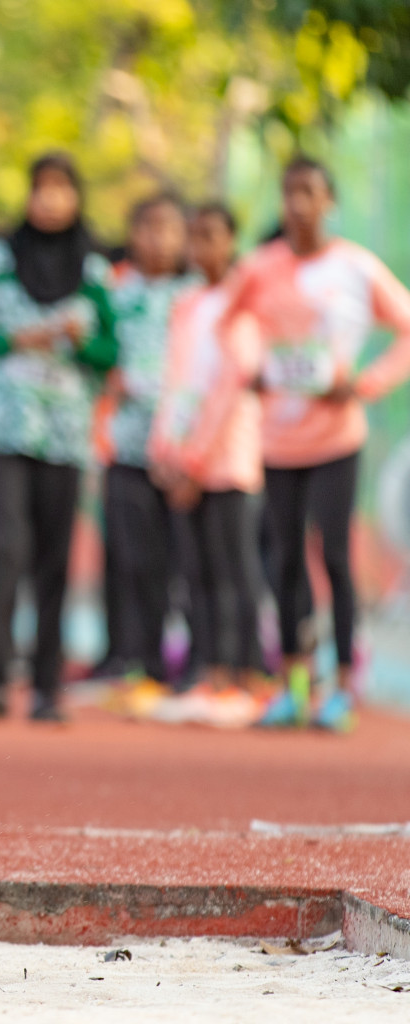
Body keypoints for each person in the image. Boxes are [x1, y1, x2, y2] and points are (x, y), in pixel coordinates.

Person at [225, 156, 410, 730]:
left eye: (309, 193)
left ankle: (346, 687)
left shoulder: (355, 267)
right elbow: (224, 322)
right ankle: (293, 684)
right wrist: (249, 369)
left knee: (332, 554)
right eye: (289, 193)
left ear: (329, 201)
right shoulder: (259, 267)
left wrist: (363, 383)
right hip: (277, 440)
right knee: (283, 560)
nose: (299, 205)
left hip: (336, 438)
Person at [0, 153, 119, 722]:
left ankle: (48, 687)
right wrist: (12, 342)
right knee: (2, 550)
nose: (50, 200)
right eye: (41, 188)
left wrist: (78, 341)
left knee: (54, 557)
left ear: (76, 198)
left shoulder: (96, 270)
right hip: (0, 430)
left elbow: (111, 352)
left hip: (64, 433)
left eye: (61, 189)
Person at [146, 202, 266, 725]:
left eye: (211, 237)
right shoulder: (188, 304)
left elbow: (229, 385)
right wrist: (164, 451)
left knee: (232, 568)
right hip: (183, 457)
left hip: (228, 457)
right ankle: (205, 669)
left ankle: (239, 674)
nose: (200, 249)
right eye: (194, 238)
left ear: (232, 241)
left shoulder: (245, 303)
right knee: (193, 570)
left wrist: (196, 459)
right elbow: (175, 382)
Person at [99, 193, 197, 686]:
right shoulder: (112, 287)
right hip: (128, 443)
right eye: (147, 226)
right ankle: (132, 657)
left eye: (169, 227)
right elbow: (94, 348)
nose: (157, 238)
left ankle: (196, 663)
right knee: (130, 557)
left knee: (189, 559)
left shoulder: (199, 291)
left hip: (189, 450)